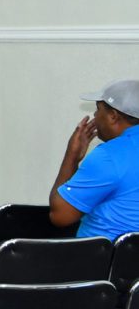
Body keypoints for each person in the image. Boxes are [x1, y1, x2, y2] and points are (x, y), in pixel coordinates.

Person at [50, 79, 139, 239]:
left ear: (113, 116)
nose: (95, 116)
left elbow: (60, 216)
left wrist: (72, 156)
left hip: (108, 254)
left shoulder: (110, 155)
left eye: (98, 109)